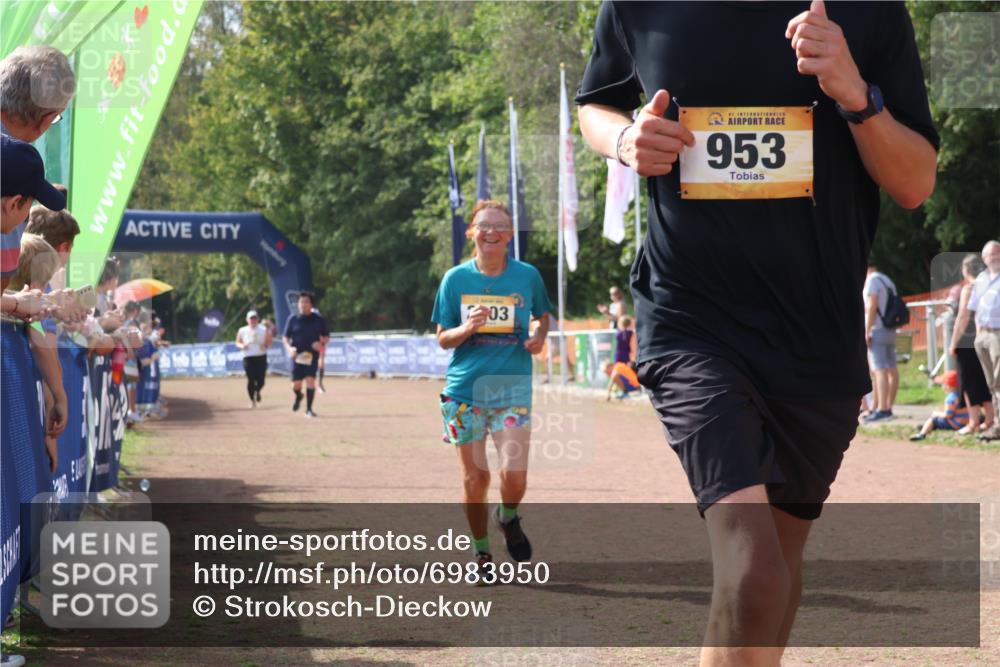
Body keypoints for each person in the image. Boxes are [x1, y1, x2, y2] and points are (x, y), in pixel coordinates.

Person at [577, 0, 937, 661]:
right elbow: (595, 104)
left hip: (817, 337)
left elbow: (915, 181)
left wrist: (856, 94)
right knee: (755, 573)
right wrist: (626, 140)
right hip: (692, 322)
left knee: (772, 580)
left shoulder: (871, 11)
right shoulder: (639, 6)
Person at [432, 199, 552, 584]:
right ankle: (481, 552)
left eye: (500, 226)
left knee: (514, 474)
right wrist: (466, 329)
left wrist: (538, 337)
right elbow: (442, 339)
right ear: (472, 232)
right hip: (464, 392)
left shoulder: (527, 276)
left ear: (510, 235)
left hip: (511, 389)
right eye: (484, 225)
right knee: (474, 479)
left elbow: (543, 317)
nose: (491, 232)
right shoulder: (455, 280)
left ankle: (508, 516)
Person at [948, 253, 994, 435]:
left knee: (966, 382)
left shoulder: (969, 289)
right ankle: (990, 418)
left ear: (966, 270)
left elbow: (962, 317)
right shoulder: (988, 286)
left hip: (967, 341)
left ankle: (974, 421)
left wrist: (953, 343)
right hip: (984, 337)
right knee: (985, 380)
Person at [862, 263, 901, 422]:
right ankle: (886, 407)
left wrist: (867, 329)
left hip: (877, 329)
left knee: (879, 370)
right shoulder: (887, 280)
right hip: (890, 328)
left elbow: (872, 305)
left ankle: (882, 409)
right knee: (891, 368)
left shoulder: (871, 280)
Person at [971, 240, 1000, 442]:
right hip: (983, 335)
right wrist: (978, 332)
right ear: (984, 258)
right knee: (992, 383)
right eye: (992, 254)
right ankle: (997, 424)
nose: (996, 256)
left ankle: (998, 427)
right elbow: (975, 307)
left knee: (999, 382)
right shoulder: (981, 279)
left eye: (998, 252)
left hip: (998, 334)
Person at [282, 292, 329, 417]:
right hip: (296, 356)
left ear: (311, 304)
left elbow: (326, 336)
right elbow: (285, 337)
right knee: (296, 385)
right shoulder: (292, 319)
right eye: (301, 302)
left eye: (306, 302)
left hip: (311, 355)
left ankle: (309, 410)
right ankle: (299, 395)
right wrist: (289, 348)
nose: (303, 304)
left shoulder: (318, 319)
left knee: (310, 381)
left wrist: (321, 344)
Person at [909, 370, 969, 441]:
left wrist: (936, 413)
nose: (942, 386)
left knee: (933, 420)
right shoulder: (964, 395)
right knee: (938, 421)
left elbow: (948, 415)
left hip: (955, 424)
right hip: (966, 422)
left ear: (948, 385)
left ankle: (922, 434)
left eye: (943, 384)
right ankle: (928, 427)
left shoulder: (951, 398)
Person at [236, 310, 272, 408]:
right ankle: (252, 400)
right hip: (248, 357)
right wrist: (242, 346)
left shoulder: (263, 329)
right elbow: (237, 342)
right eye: (251, 318)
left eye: (255, 318)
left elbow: (269, 341)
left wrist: (266, 345)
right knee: (251, 379)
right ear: (247, 320)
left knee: (261, 380)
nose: (253, 320)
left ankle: (257, 391)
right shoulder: (242, 330)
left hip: (261, 356)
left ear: (258, 319)